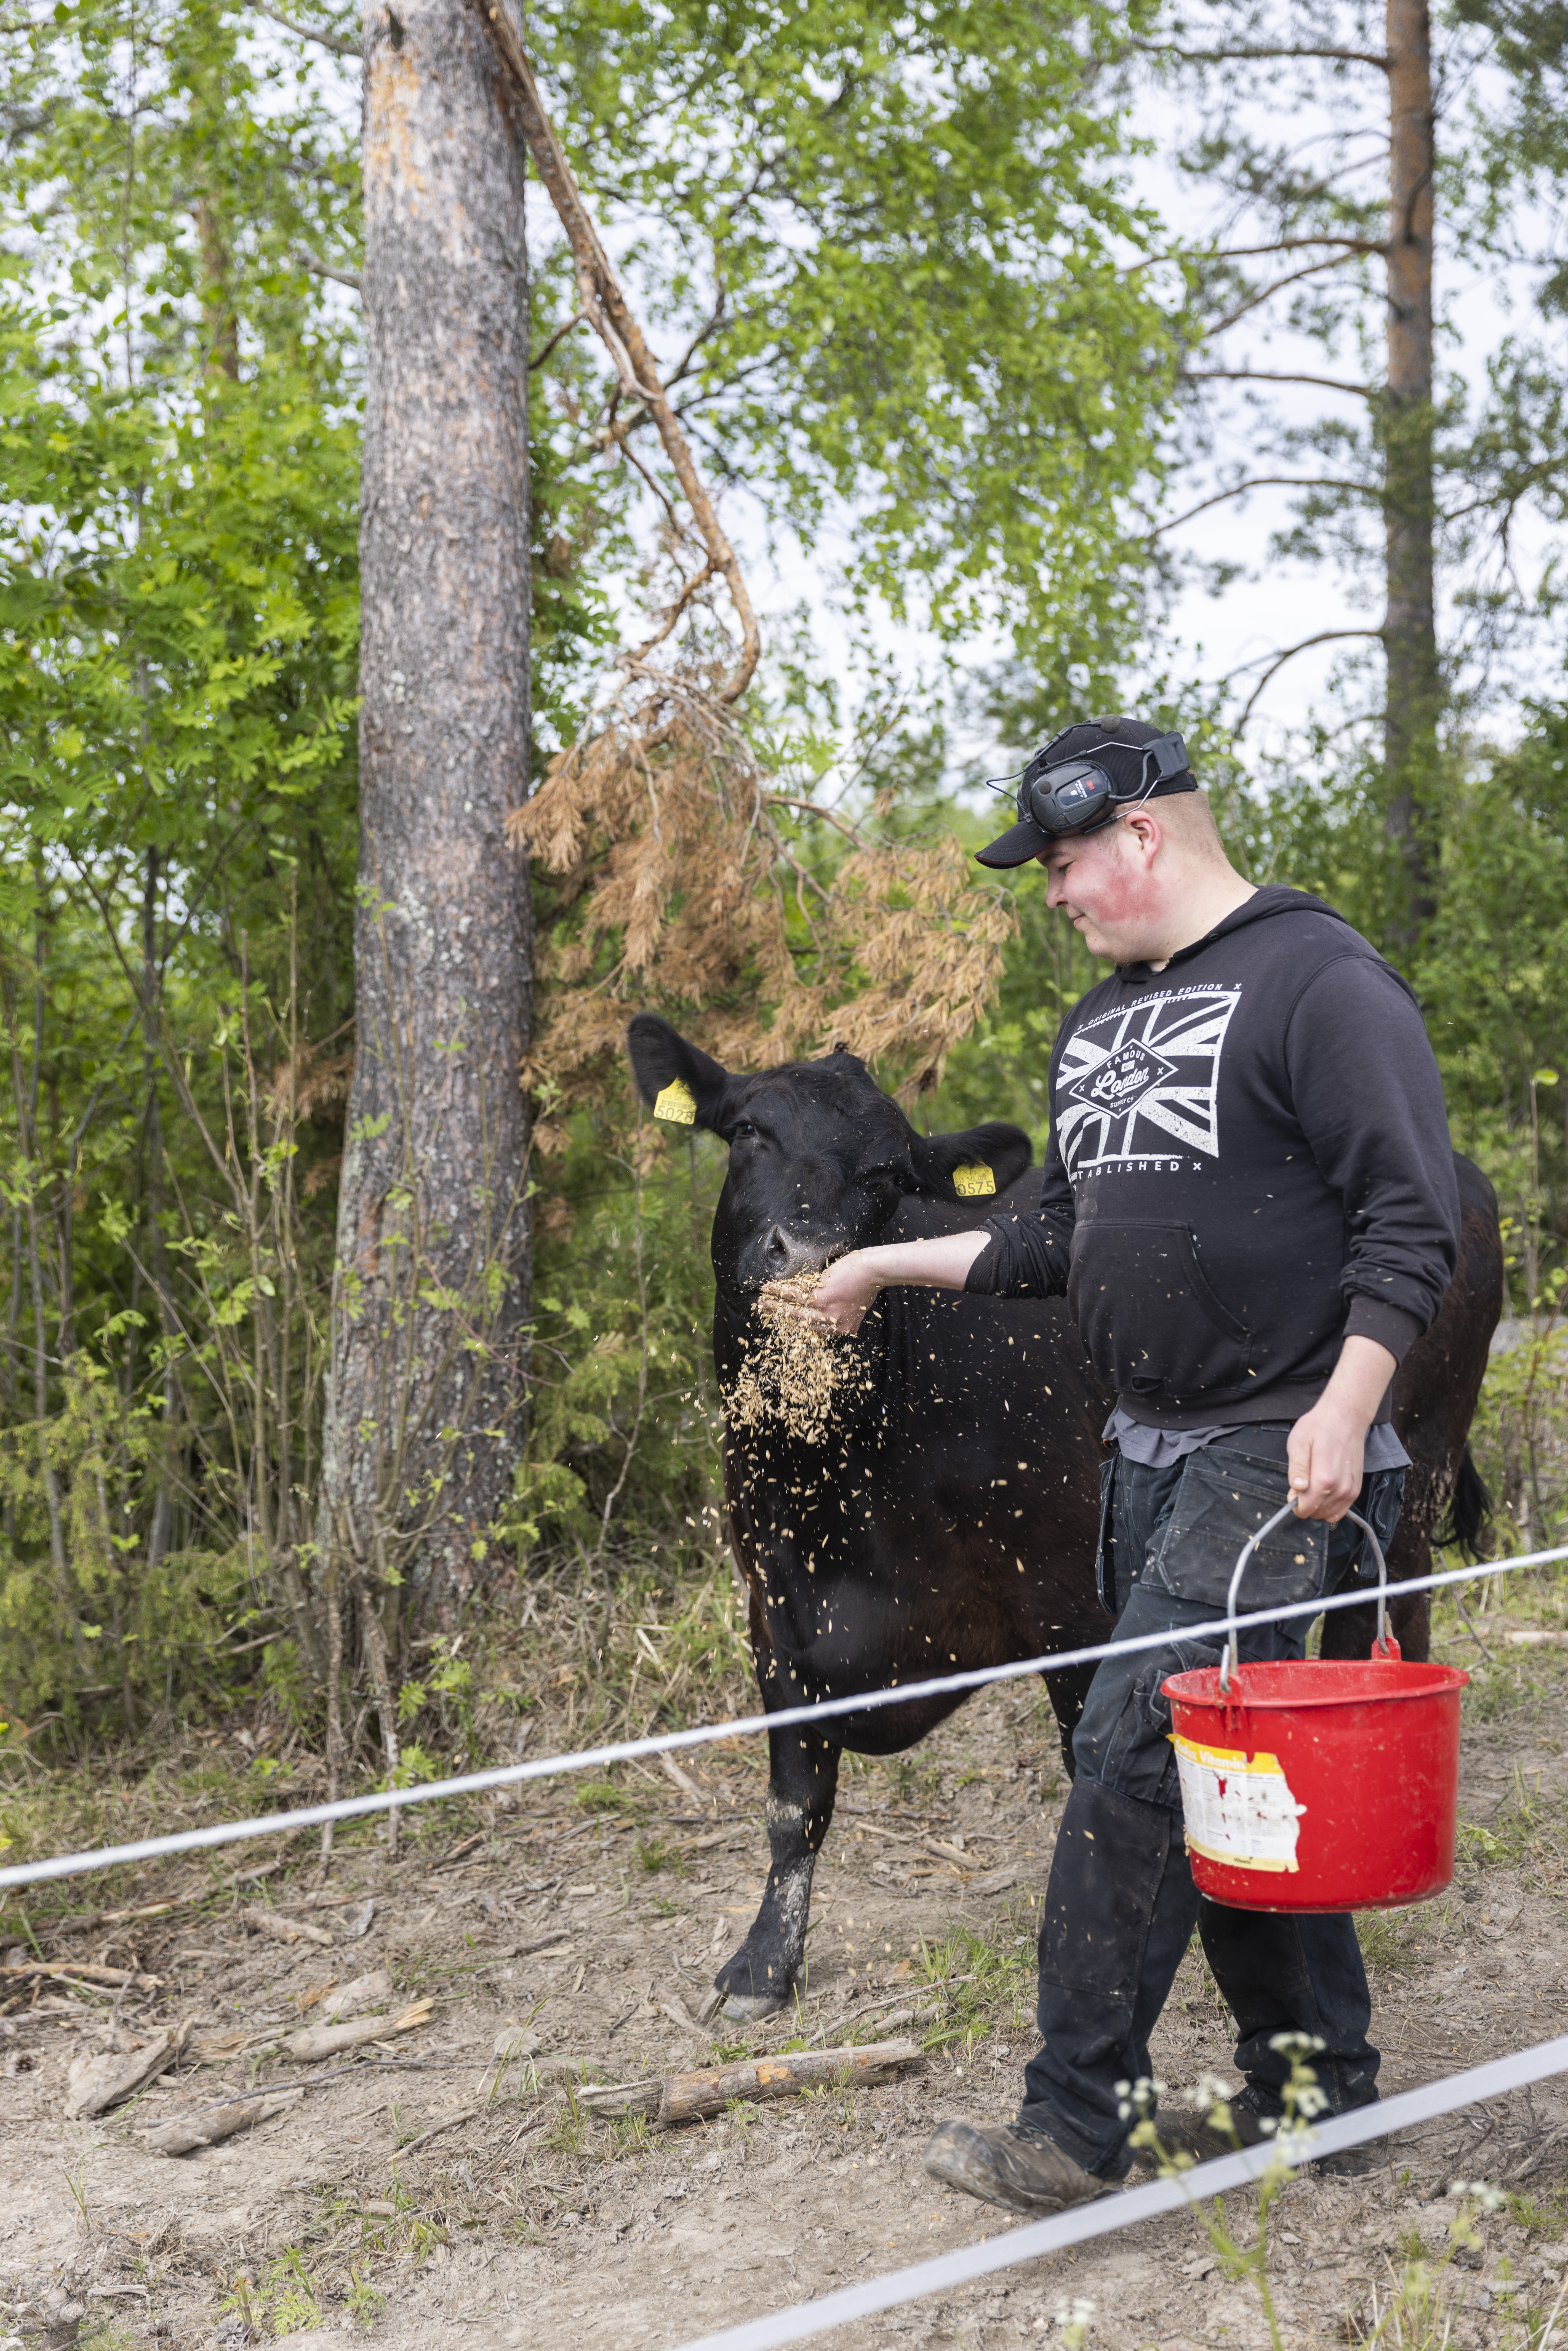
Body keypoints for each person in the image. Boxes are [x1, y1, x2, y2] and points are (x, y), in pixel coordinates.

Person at [775, 716, 1460, 2215]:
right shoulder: (1098, 1023)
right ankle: (1317, 2094)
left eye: (1063, 864)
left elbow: (1412, 1219)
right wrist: (881, 1265)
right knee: (1232, 1770)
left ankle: (1073, 2124)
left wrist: (1344, 1409)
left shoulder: (1320, 981)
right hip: (1143, 1451)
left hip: (1277, 1454)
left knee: (1132, 1753)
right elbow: (1056, 1238)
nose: (1053, 893)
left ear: (1140, 834)